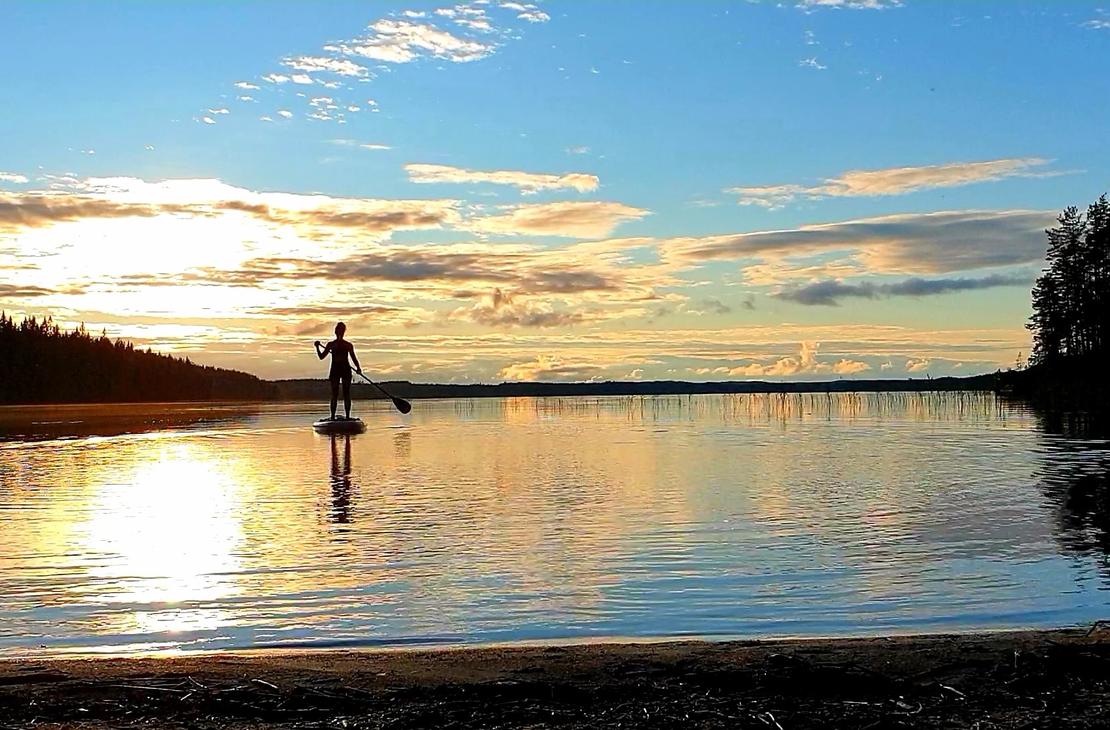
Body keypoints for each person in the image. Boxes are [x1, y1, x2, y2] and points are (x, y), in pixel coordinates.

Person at [315, 322, 361, 420]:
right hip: (336, 370)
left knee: (345, 393)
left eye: (341, 331)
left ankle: (347, 417)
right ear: (336, 332)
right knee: (335, 394)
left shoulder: (347, 345)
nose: (340, 333)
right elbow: (321, 357)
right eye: (339, 331)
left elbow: (353, 358)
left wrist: (358, 368)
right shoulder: (332, 344)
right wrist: (317, 347)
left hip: (345, 370)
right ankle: (333, 417)